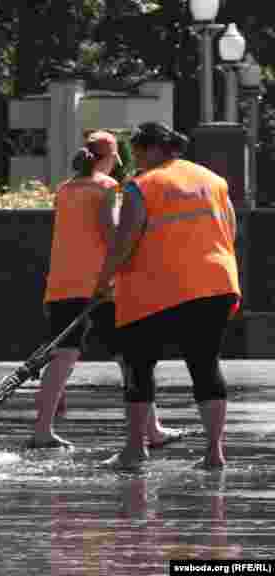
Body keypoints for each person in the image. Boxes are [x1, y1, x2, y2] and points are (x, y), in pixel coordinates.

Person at [94, 121, 240, 469]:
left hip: (155, 290)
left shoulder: (142, 186)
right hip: (215, 284)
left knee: (139, 366)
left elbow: (125, 241)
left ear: (152, 149)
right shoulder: (213, 180)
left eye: (138, 151)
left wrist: (102, 282)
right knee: (205, 365)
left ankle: (133, 450)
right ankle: (214, 453)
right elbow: (230, 230)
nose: (136, 159)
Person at [32, 131, 183, 449]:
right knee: (132, 357)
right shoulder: (107, 187)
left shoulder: (64, 189)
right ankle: (151, 430)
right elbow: (112, 232)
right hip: (101, 286)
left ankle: (42, 432)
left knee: (62, 358)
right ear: (111, 158)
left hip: (61, 285)